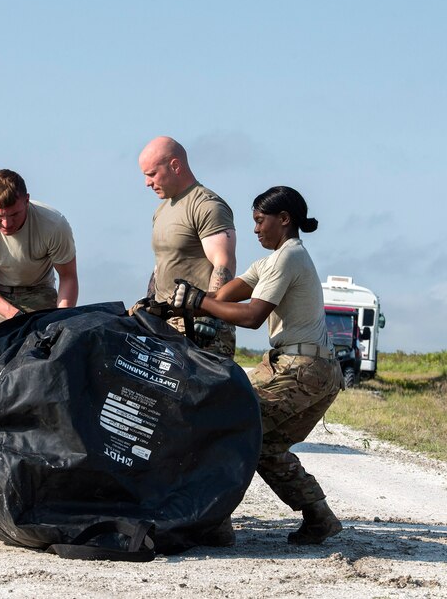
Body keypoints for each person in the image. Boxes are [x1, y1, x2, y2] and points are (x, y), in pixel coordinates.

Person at [172, 186, 344, 545]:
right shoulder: (270, 262)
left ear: (284, 220)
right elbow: (224, 296)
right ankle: (319, 518)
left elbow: (251, 316)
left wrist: (200, 300)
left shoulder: (288, 258)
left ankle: (214, 523)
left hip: (302, 368)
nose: (255, 230)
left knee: (229, 428)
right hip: (315, 369)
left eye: (259, 221)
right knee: (264, 447)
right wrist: (185, 302)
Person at [137, 136, 237, 356]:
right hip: (166, 326)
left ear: (175, 165)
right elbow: (162, 265)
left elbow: (224, 262)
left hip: (201, 329)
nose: (147, 182)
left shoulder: (206, 205)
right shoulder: (162, 210)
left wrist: (210, 317)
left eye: (152, 174)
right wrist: (148, 309)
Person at [0, 169, 78, 328]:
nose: (7, 224)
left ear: (27, 201)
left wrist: (61, 320)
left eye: (14, 214)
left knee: (53, 344)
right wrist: (12, 314)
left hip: (39, 292)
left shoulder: (53, 225)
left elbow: (68, 277)